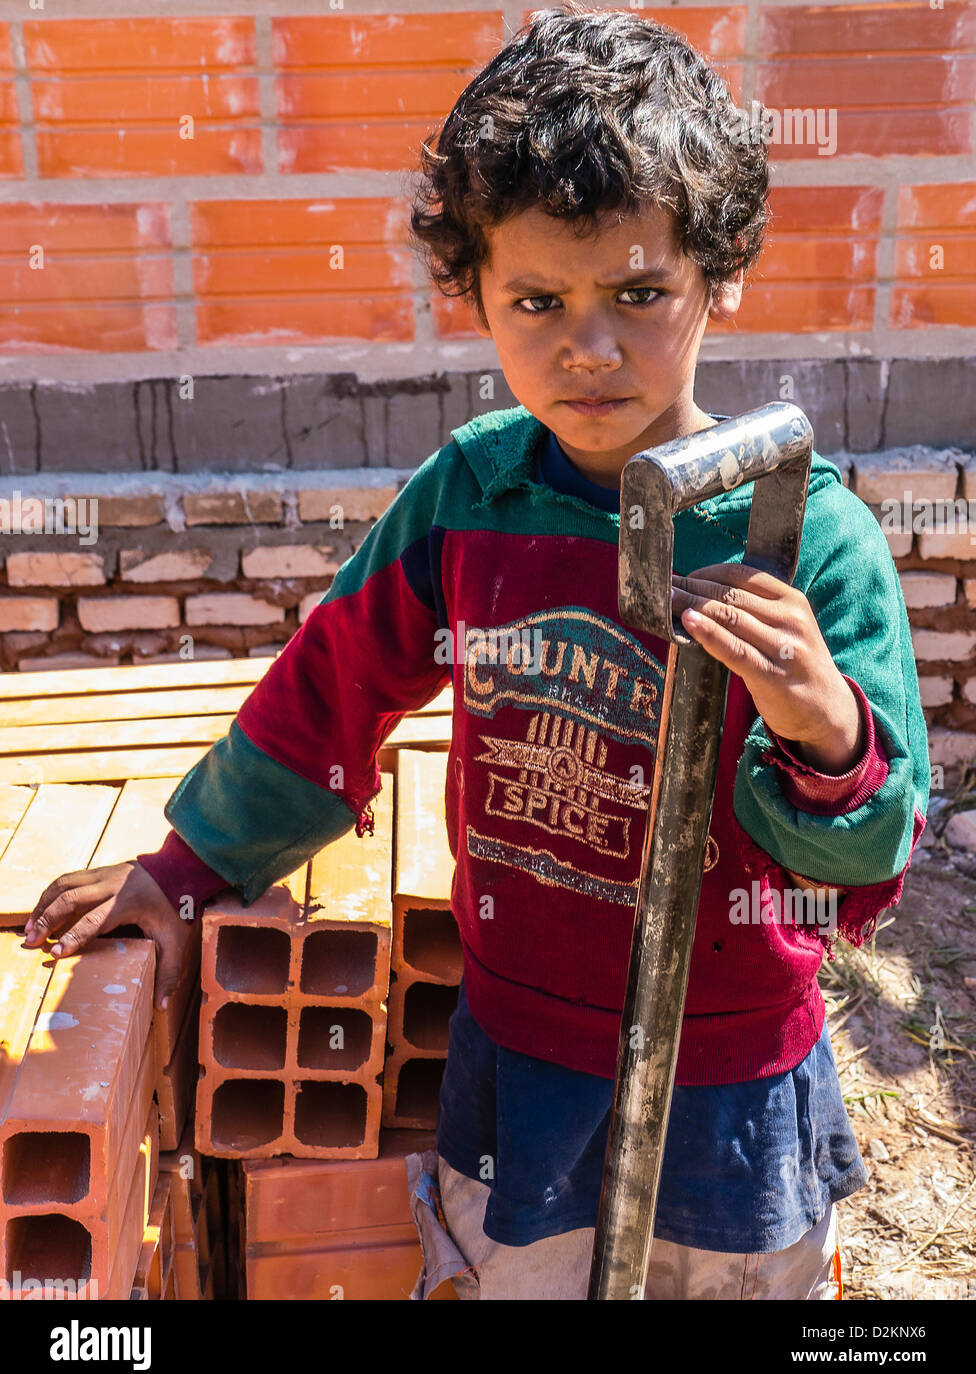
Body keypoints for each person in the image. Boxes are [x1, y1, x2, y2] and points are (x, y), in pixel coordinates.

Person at [22, 5, 929, 1300]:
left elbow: (873, 844)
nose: (589, 345)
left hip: (728, 1082)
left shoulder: (801, 534)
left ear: (720, 273)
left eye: (639, 292)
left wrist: (823, 727)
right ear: (476, 294)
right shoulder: (473, 499)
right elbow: (332, 685)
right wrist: (182, 870)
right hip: (524, 1061)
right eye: (538, 299)